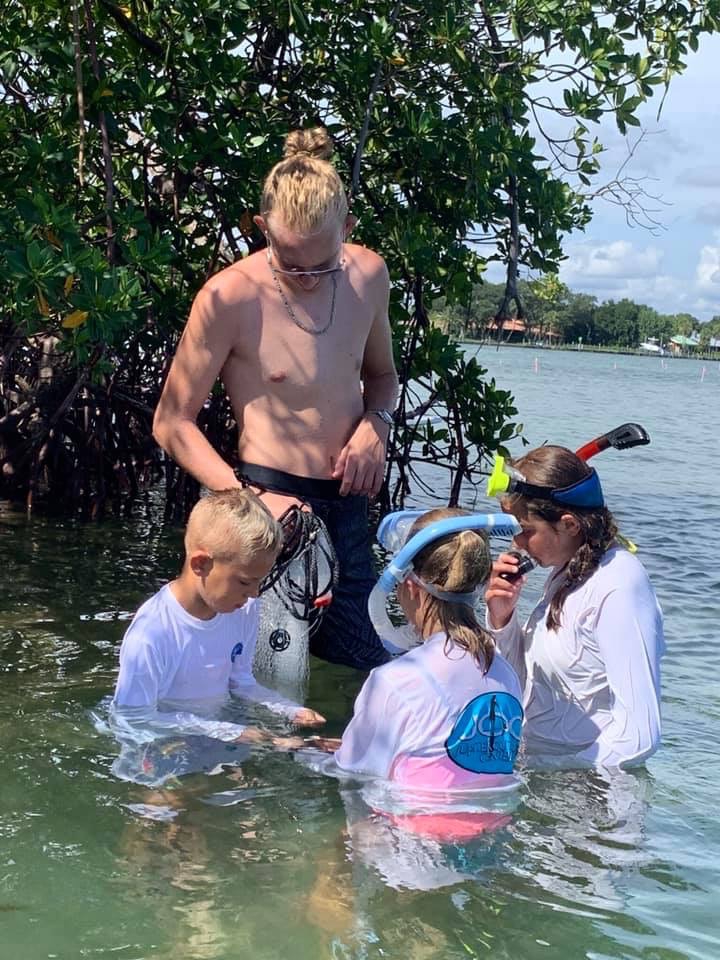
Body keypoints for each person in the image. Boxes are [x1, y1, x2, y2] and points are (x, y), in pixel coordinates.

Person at [152, 125, 399, 673]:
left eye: (321, 262)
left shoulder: (369, 276)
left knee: (362, 670)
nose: (306, 276)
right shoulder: (228, 295)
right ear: (262, 228)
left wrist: (375, 427)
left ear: (347, 230)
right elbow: (172, 423)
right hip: (264, 503)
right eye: (289, 261)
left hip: (346, 501)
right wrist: (247, 501)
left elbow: (383, 377)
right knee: (262, 680)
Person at [110, 488, 324, 784]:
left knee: (243, 812)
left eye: (261, 582)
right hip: (159, 747)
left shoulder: (244, 607)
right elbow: (132, 718)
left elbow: (241, 680)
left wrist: (287, 709)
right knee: (164, 821)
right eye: (245, 581)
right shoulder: (153, 632)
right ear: (201, 564)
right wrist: (226, 731)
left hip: (217, 734)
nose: (255, 594)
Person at [314, 508, 524, 798]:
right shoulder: (505, 675)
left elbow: (353, 774)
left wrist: (303, 753)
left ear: (410, 586)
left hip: (411, 835)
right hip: (492, 827)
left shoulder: (395, 680)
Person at [484, 445, 664, 769]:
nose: (517, 544)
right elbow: (521, 688)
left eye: (525, 531)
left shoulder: (619, 587)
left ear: (570, 525)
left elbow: (640, 736)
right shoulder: (566, 573)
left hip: (588, 799)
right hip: (534, 770)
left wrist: (560, 782)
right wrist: (502, 618)